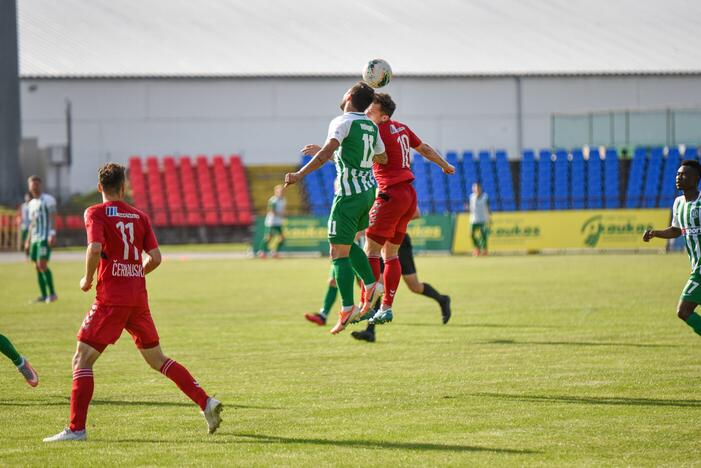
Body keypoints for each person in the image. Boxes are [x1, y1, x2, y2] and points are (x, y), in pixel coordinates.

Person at [44, 162, 222, 443]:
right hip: (137, 298)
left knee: (82, 359)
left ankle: (77, 428)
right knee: (158, 359)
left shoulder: (95, 212)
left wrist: (87, 279)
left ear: (100, 187)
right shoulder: (139, 216)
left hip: (111, 300)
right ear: (124, 188)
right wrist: (135, 272)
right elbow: (156, 258)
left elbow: (94, 248)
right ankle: (206, 402)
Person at [285, 81, 388, 335]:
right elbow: (382, 158)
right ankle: (372, 285)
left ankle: (348, 306)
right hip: (367, 193)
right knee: (347, 244)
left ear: (350, 96)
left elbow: (324, 155)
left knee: (336, 251)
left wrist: (299, 174)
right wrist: (352, 157)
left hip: (348, 195)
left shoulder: (341, 122)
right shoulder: (371, 126)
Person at [361, 93, 455, 326]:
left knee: (369, 252)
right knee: (389, 255)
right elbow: (423, 148)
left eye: (371, 106)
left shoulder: (375, 131)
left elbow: (359, 157)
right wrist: (445, 165)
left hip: (389, 193)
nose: (367, 108)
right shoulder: (402, 128)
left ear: (383, 115)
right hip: (408, 194)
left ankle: (366, 305)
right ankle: (385, 308)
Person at [352, 230, 452, 342]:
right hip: (378, 242)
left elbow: (414, 214)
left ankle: (442, 299)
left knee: (414, 286)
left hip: (398, 240)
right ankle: (370, 331)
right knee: (377, 285)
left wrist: (395, 221)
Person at [643, 159, 701, 340]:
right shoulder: (678, 203)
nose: (678, 177)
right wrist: (655, 234)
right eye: (677, 174)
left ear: (695, 178)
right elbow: (676, 230)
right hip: (697, 268)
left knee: (683, 311)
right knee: (683, 311)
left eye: (683, 174)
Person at [25, 176, 58, 303]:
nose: (35, 186)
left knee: (42, 265)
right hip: (34, 239)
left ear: (41, 185)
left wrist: (52, 233)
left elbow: (53, 216)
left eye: (37, 184)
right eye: (33, 184)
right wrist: (27, 240)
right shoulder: (31, 204)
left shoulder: (48, 200)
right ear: (29, 187)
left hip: (44, 238)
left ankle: (53, 294)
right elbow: (32, 224)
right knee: (37, 267)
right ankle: (44, 295)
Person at [258, 185, 287, 258]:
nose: (281, 193)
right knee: (268, 238)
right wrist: (280, 214)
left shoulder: (283, 200)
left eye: (282, 191)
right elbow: (271, 211)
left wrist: (283, 214)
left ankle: (274, 252)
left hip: (278, 222)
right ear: (275, 192)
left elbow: (283, 210)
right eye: (279, 191)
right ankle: (261, 252)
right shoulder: (273, 200)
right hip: (271, 222)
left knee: (282, 238)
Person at [469, 183, 490, 256]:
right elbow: (471, 208)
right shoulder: (471, 197)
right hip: (474, 219)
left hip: (483, 219)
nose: (476, 189)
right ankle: (477, 248)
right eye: (474, 188)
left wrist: (489, 218)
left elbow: (488, 208)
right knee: (471, 234)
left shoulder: (485, 197)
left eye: (477, 188)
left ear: (480, 188)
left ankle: (484, 250)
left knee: (483, 236)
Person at [19, 193, 31, 258]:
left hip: (30, 226)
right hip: (24, 225)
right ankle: (26, 254)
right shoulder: (23, 206)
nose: (27, 198)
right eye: (26, 197)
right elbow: (21, 215)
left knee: (29, 240)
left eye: (28, 197)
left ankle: (29, 253)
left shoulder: (32, 205)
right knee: (24, 240)